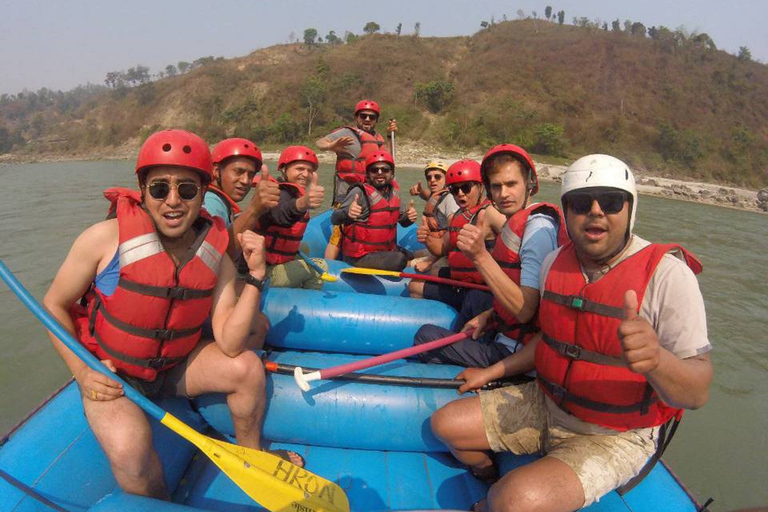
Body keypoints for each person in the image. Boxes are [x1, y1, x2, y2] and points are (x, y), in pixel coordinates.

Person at [430, 154, 713, 512]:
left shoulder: (669, 276)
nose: (596, 211)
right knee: (446, 424)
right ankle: (489, 475)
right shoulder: (555, 263)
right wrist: (491, 371)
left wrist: (657, 361)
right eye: (581, 203)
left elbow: (698, 389)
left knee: (516, 500)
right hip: (547, 403)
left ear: (629, 208)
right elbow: (549, 343)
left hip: (613, 436)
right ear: (567, 211)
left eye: (610, 202)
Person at [42, 129, 304, 500]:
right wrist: (82, 369)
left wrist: (258, 276)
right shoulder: (104, 239)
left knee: (246, 367)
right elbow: (53, 304)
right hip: (117, 374)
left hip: (177, 366)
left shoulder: (214, 251)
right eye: (160, 188)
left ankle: (252, 457)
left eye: (187, 189)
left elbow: (230, 343)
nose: (173, 201)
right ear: (143, 189)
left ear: (203, 190)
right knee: (132, 456)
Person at [414, 144, 566, 368]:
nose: (503, 194)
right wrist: (490, 315)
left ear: (529, 184)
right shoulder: (517, 223)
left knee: (425, 336)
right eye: (497, 186)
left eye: (511, 184)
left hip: (514, 352)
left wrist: (479, 256)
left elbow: (525, 311)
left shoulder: (537, 229)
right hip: (501, 328)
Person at [409, 159, 504, 315]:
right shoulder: (457, 216)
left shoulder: (489, 213)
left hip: (482, 290)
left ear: (481, 186)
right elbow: (441, 248)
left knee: (414, 287)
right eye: (454, 190)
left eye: (466, 188)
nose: (460, 194)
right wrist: (426, 237)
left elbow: (516, 238)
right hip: (463, 281)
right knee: (431, 273)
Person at [315, 99, 396, 259]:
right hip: (346, 194)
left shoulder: (377, 138)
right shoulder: (346, 133)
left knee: (365, 231)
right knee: (337, 235)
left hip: (368, 195)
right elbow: (320, 142)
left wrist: (389, 136)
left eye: (371, 117)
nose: (367, 119)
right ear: (356, 117)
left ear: (376, 120)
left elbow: (387, 158)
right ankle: (328, 267)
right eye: (363, 116)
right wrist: (331, 146)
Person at [331, 150, 418, 271]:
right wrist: (348, 213)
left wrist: (409, 218)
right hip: (360, 255)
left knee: (411, 255)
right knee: (399, 260)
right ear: (368, 174)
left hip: (384, 250)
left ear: (392, 173)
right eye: (374, 170)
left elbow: (403, 222)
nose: (380, 173)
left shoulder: (393, 192)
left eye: (385, 170)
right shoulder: (359, 192)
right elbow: (334, 218)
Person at [255, 145, 327, 289]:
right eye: (299, 169)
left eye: (310, 171)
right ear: (283, 169)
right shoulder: (276, 193)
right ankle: (308, 304)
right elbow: (280, 214)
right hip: (263, 271)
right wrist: (302, 204)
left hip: (272, 260)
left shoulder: (291, 192)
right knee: (321, 267)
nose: (306, 175)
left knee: (304, 248)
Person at [206, 137, 280, 259]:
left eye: (251, 175)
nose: (245, 181)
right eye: (238, 172)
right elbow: (214, 257)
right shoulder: (212, 203)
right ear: (216, 171)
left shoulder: (219, 201)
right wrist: (254, 209)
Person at [409, 160, 460, 273]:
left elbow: (453, 235)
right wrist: (420, 191)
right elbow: (429, 197)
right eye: (429, 178)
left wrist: (429, 262)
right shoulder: (438, 195)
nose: (432, 180)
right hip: (438, 248)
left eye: (437, 177)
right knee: (416, 254)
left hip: (447, 251)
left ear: (447, 179)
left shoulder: (450, 200)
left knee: (409, 264)